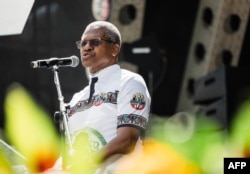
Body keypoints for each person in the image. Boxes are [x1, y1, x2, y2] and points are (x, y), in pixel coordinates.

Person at [52, 20, 151, 174]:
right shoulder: (77, 98)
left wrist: (89, 162)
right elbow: (69, 153)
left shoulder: (130, 82)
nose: (87, 47)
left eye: (95, 42)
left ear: (114, 49)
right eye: (83, 43)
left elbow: (127, 141)